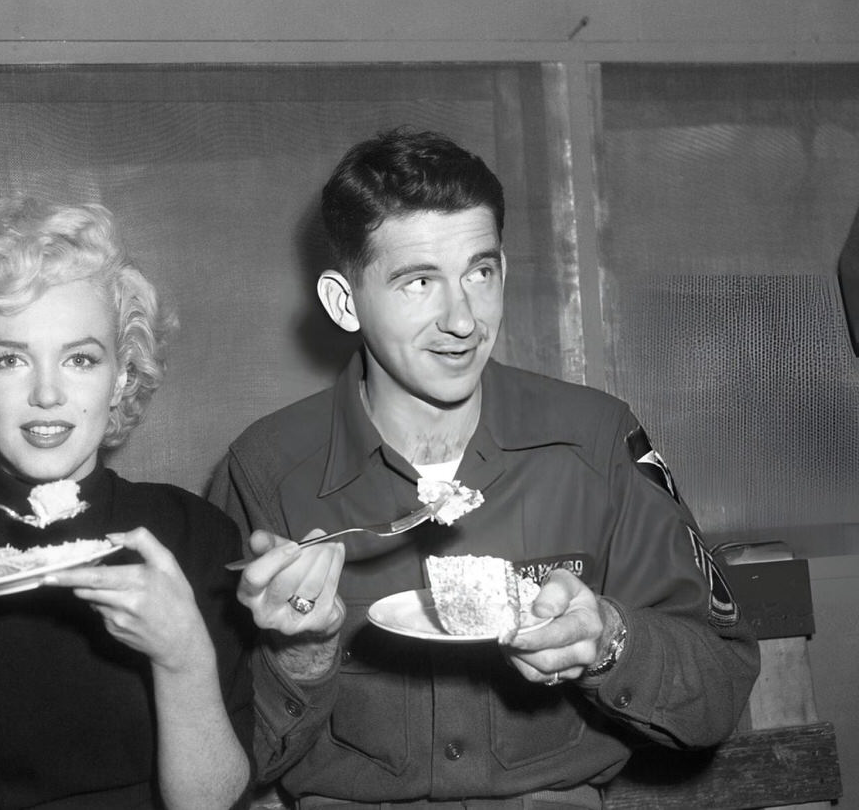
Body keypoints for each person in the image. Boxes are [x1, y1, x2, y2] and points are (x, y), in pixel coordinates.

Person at [208, 128, 761, 810]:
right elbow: (222, 769)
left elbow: (720, 686)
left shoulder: (594, 440)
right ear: (344, 301)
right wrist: (302, 655)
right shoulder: (266, 471)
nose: (463, 318)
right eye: (419, 281)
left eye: (481, 271)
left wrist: (609, 640)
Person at [0, 198, 253, 810]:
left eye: (81, 358)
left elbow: (210, 802)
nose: (45, 393)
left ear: (119, 377)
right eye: (9, 359)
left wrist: (184, 658)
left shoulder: (196, 535)